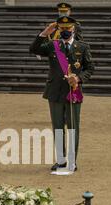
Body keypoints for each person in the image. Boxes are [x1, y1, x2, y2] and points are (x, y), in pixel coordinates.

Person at [30, 16, 93, 172]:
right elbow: (34, 49)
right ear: (59, 30)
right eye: (62, 29)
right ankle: (61, 160)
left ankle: (72, 160)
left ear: (73, 29)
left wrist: (78, 78)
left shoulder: (82, 47)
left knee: (73, 128)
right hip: (55, 92)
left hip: (74, 91)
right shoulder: (53, 45)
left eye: (68, 29)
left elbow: (90, 68)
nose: (66, 31)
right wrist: (45, 32)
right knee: (58, 127)